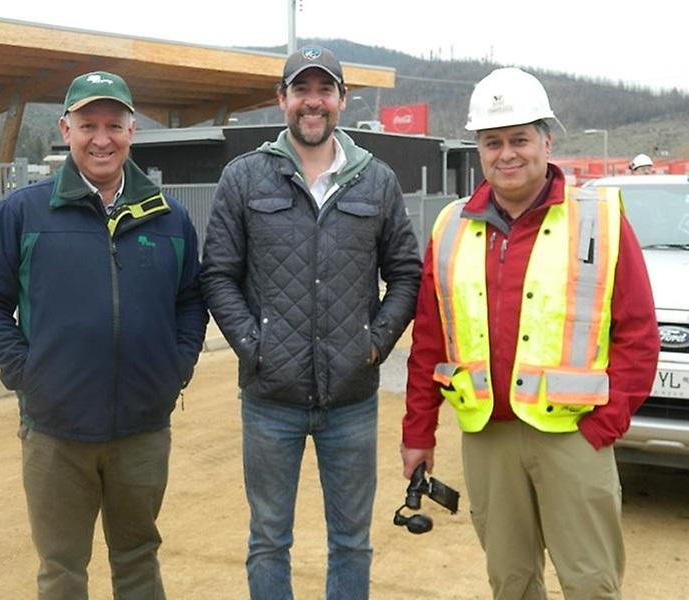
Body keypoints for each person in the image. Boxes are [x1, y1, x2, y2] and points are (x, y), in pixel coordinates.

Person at [401, 67, 660, 600]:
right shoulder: (450, 227)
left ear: (546, 139)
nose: (507, 154)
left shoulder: (599, 219)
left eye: (519, 138)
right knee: (511, 584)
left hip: (574, 437)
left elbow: (637, 332)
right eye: (493, 142)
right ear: (478, 149)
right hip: (488, 438)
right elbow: (430, 339)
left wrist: (604, 427)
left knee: (591, 584)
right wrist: (418, 433)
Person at [0, 70, 208, 599]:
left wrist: (176, 367)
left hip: (142, 431)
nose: (102, 138)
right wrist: (28, 375)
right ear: (65, 129)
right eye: (88, 124)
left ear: (132, 131)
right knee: (61, 568)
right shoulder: (23, 212)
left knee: (139, 559)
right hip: (55, 434)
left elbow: (191, 301)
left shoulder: (169, 219)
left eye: (113, 125)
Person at [200, 46, 420, 600]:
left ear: (342, 100)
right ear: (282, 100)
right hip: (270, 398)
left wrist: (373, 345)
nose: (312, 102)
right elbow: (218, 275)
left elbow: (406, 274)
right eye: (302, 90)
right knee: (269, 539)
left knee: (351, 542)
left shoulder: (376, 181)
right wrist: (255, 347)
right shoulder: (244, 178)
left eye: (325, 90)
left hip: (351, 398)